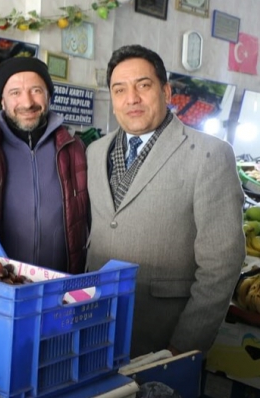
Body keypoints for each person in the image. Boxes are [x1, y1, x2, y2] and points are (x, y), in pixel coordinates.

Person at [86, 44, 245, 358]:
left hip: (163, 336)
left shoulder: (208, 154)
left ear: (166, 91)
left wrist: (185, 345)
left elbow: (222, 263)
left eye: (143, 86)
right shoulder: (94, 152)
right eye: (119, 90)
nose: (131, 98)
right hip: (95, 327)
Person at [0, 57, 88, 274]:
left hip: (62, 284)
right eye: (15, 93)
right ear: (2, 101)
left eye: (36, 90)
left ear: (49, 96)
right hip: (0, 284)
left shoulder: (74, 149)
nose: (27, 102)